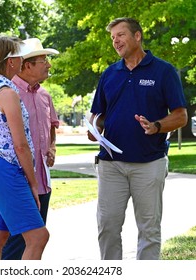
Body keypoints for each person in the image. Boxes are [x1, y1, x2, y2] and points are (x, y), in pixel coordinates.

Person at [88, 17, 187, 260]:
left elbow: (181, 116)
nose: (116, 41)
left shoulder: (163, 71)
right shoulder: (110, 74)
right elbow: (98, 115)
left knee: (149, 230)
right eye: (113, 38)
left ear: (137, 36)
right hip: (111, 164)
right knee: (108, 227)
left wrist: (156, 126)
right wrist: (95, 128)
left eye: (120, 35)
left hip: (149, 163)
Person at [0, 35, 50, 260]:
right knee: (38, 237)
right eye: (19, 56)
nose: (22, 60)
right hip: (5, 167)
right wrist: (33, 183)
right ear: (11, 62)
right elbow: (20, 145)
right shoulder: (7, 92)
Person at [2, 38, 59, 260]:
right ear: (27, 65)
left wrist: (52, 147)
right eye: (44, 60)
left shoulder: (45, 95)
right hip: (18, 181)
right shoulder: (6, 91)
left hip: (42, 182)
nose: (49, 65)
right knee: (15, 244)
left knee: (35, 243)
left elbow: (52, 125)